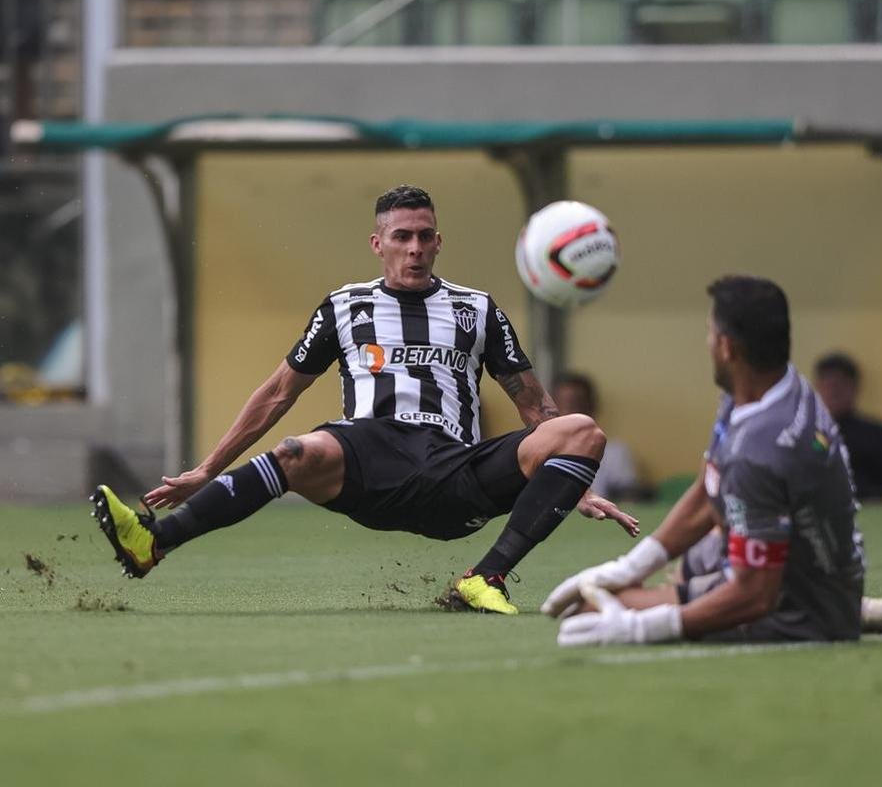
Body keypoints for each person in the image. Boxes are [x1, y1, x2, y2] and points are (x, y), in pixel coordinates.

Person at [89, 185, 638, 615]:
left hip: (455, 471)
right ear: (379, 244)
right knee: (296, 451)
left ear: (439, 242)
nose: (415, 248)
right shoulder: (344, 307)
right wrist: (207, 468)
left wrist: (573, 480)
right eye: (402, 236)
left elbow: (536, 408)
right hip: (371, 456)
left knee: (581, 430)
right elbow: (279, 392)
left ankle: (483, 578)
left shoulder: (478, 309)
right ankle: (153, 541)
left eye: (425, 235)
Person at [542, 275, 882, 647]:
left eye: (710, 333)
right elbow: (706, 493)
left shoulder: (759, 451)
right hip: (815, 577)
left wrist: (647, 627)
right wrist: (629, 567)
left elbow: (755, 596)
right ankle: (847, 606)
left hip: (794, 611)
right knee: (700, 553)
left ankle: (842, 612)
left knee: (589, 613)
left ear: (727, 347)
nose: (707, 342)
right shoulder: (770, 386)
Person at [812, 352, 882, 505]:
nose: (833, 392)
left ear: (854, 388)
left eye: (840, 386)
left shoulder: (876, 435)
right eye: (827, 385)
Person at [551, 372, 654, 502]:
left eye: (577, 403)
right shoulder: (537, 449)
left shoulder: (614, 451)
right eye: (564, 404)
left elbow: (629, 497)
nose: (570, 411)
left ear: (592, 406)